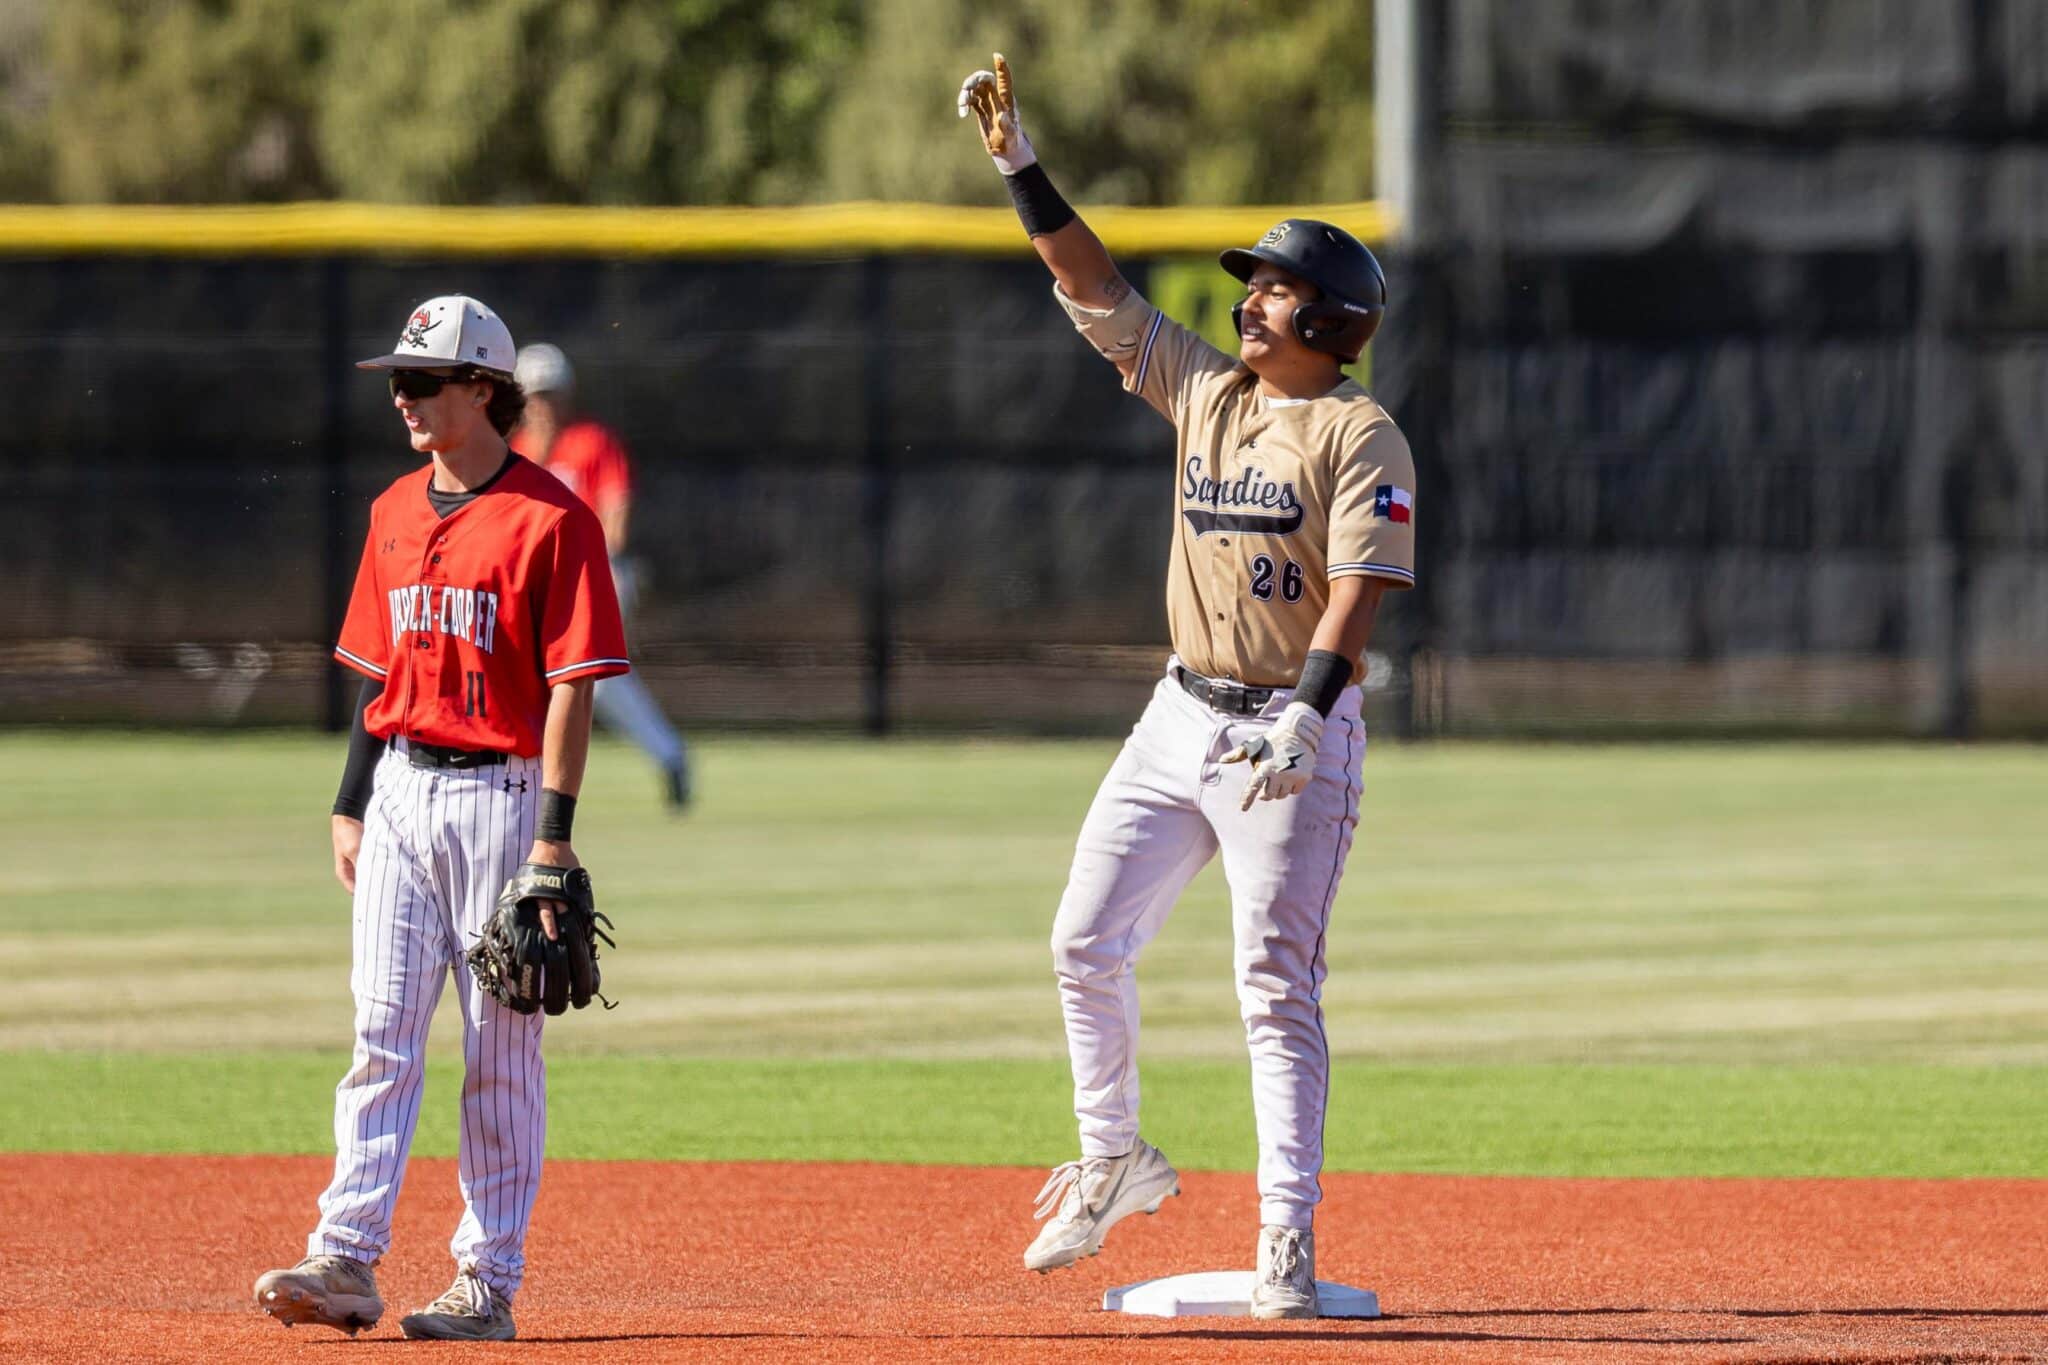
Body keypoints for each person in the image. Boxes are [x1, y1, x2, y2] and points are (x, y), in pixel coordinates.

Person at [959, 57, 1417, 1319]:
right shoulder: (1204, 395)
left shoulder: (1357, 434)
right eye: (1254, 285)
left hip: (1289, 728)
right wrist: (1019, 169)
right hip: (1178, 715)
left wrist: (1304, 717)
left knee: (1273, 986)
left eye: (1274, 287)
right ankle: (1112, 1157)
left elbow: (1359, 589)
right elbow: (1089, 283)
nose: (1250, 303)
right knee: (1080, 941)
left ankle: (1285, 1241)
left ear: (1329, 319)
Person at [253, 295, 629, 1342]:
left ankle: (487, 1280)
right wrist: (347, 801)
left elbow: (574, 686)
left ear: (483, 389)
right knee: (379, 1029)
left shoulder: (553, 519)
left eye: (423, 380)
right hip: (399, 794)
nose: (403, 397)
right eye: (397, 380)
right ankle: (346, 1259)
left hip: (502, 799)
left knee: (498, 1049)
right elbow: (382, 674)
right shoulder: (389, 513)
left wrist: (552, 837)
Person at [514, 342, 692, 810]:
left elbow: (616, 508)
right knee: (555, 679)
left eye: (550, 392)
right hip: (532, 586)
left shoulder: (592, 442)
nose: (542, 403)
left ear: (567, 394)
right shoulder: (514, 453)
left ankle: (669, 756)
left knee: (596, 677)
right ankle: (667, 754)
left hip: (593, 577)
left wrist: (604, 567)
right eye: (533, 393)